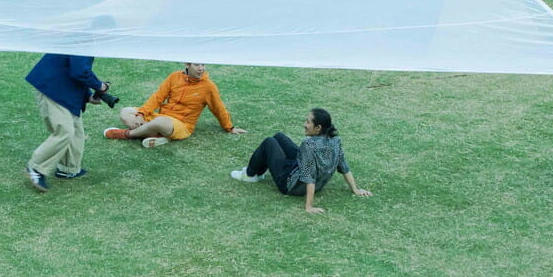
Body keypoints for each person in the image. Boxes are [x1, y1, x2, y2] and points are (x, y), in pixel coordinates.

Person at [231, 107, 369, 215]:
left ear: (318, 128)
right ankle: (259, 172)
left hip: (291, 185)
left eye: (308, 122)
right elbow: (344, 167)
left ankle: (249, 175)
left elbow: (309, 177)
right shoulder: (335, 141)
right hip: (309, 178)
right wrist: (355, 189)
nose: (304, 124)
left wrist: (309, 206)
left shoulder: (309, 145)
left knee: (269, 142)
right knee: (279, 136)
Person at [25, 52, 110, 193]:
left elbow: (74, 70)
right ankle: (36, 167)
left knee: (76, 130)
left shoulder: (85, 36)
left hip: (61, 86)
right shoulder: (84, 38)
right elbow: (79, 71)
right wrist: (99, 86)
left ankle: (68, 168)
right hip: (52, 87)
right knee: (64, 131)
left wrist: (88, 95)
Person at [106, 63, 240, 148]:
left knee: (159, 122)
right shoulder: (174, 77)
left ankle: (127, 134)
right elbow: (158, 97)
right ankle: (157, 136)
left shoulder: (208, 87)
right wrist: (142, 114)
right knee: (126, 112)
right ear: (187, 64)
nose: (201, 69)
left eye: (203, 65)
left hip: (181, 125)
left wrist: (229, 127)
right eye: (197, 65)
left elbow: (218, 108)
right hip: (162, 117)